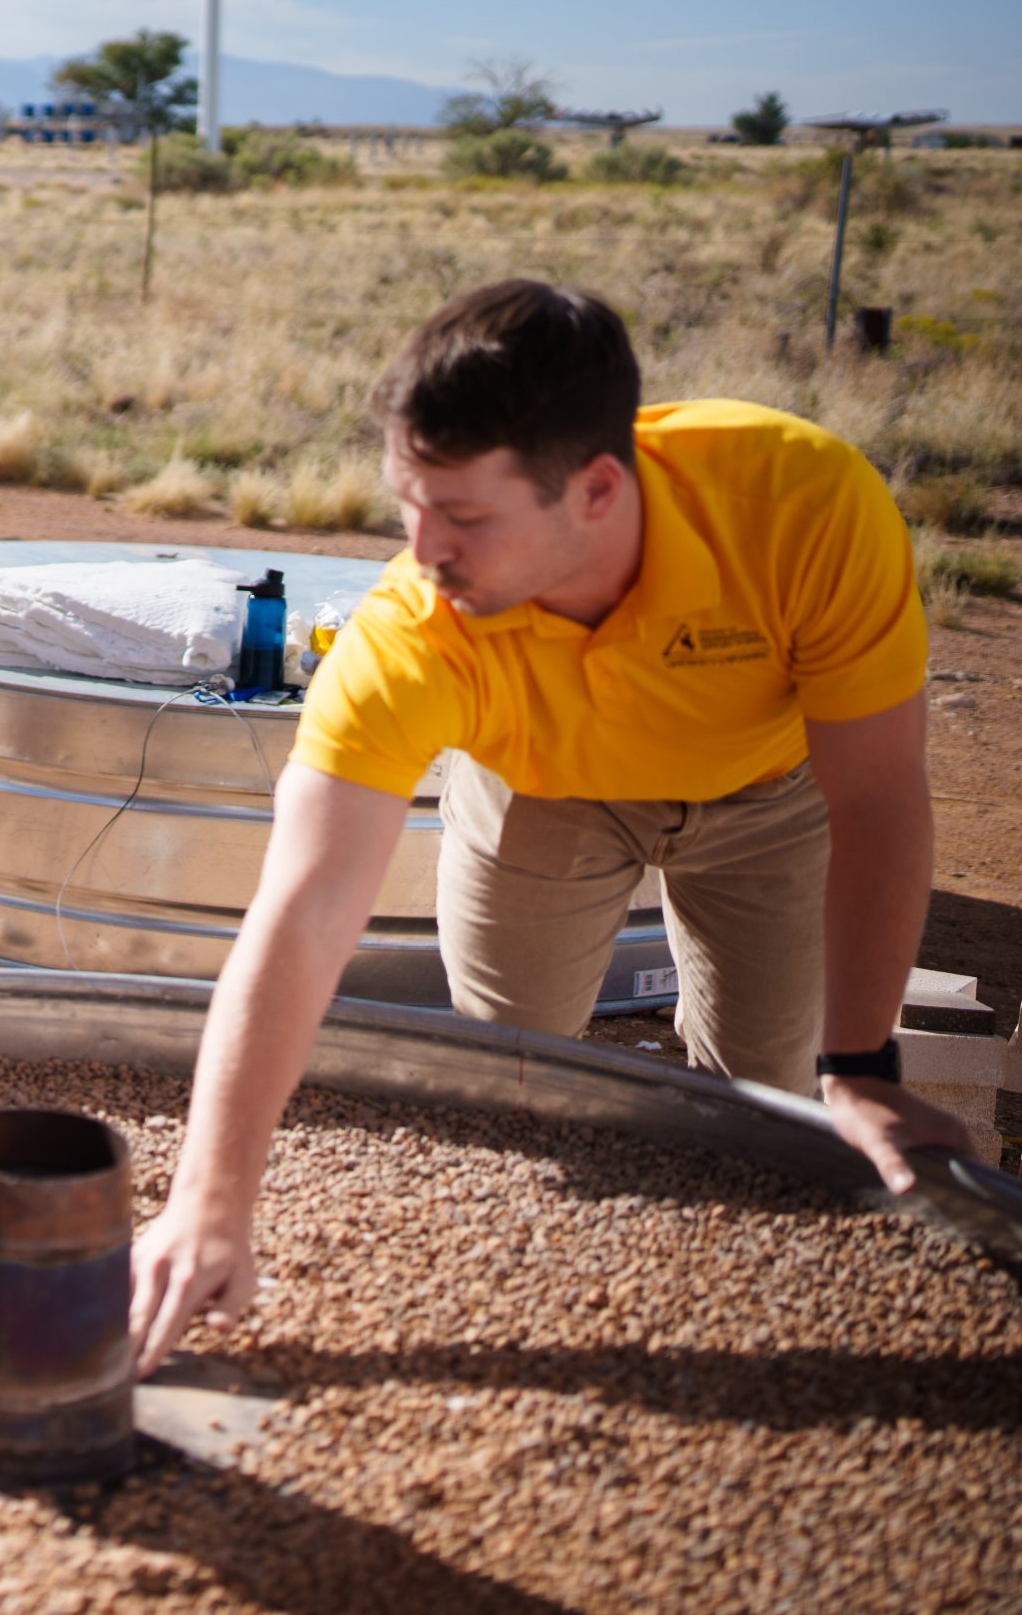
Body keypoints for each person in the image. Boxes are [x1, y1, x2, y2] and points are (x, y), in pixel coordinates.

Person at [129, 280, 974, 1368]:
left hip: (768, 794)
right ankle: (542, 1288)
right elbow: (300, 913)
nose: (423, 550)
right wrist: (207, 1199)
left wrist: (860, 1070)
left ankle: (719, 1303)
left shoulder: (800, 503)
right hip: (541, 790)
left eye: (466, 517)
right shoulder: (412, 635)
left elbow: (876, 800)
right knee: (513, 1064)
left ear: (595, 489)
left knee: (766, 1090)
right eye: (406, 502)